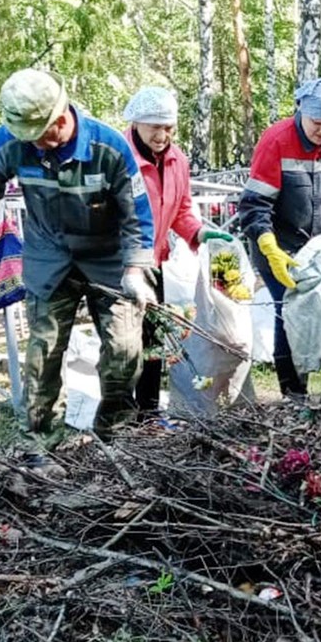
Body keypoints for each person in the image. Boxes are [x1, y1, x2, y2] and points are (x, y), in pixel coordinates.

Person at [0, 69, 155, 437]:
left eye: (40, 136)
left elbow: (138, 214)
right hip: (49, 256)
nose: (33, 145)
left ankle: (114, 434)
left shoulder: (109, 148)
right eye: (27, 138)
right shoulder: (10, 141)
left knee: (123, 353)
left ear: (61, 117)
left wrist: (134, 269)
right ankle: (37, 440)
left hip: (109, 259)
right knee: (42, 356)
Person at [238, 77, 321, 398]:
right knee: (288, 310)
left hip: (316, 250)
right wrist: (269, 247)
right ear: (301, 112)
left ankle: (304, 381)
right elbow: (253, 206)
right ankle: (293, 394)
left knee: (313, 311)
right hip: (277, 246)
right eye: (317, 123)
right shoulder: (276, 141)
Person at [121, 86, 234, 413]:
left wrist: (200, 233)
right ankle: (119, 416)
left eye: (168, 127)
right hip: (118, 262)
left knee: (153, 340)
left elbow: (181, 209)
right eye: (154, 126)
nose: (162, 135)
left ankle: (149, 414)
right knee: (123, 345)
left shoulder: (177, 160)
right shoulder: (118, 156)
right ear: (137, 123)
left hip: (153, 262)